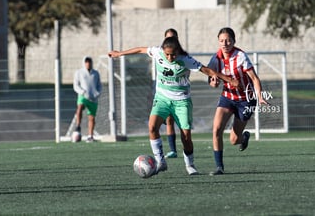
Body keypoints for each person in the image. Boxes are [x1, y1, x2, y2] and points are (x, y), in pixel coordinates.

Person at [108, 36, 238, 175]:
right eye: (167, 54)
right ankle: (160, 162)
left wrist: (228, 79)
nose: (170, 58)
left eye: (173, 54)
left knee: (186, 136)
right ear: (163, 50)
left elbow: (207, 70)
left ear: (178, 51)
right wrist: (119, 53)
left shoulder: (185, 59)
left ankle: (190, 165)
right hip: (162, 98)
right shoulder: (157, 52)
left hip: (182, 101)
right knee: (152, 127)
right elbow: (140, 49)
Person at [207, 27, 268, 175]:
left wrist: (260, 96)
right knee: (216, 130)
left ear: (234, 41)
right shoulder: (215, 59)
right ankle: (219, 167)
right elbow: (211, 78)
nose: (225, 43)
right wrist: (213, 83)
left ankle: (244, 137)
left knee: (234, 140)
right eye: (221, 40)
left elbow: (254, 78)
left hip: (245, 100)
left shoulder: (240, 56)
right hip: (227, 98)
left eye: (228, 40)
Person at [73, 56, 102, 143]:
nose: (88, 64)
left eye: (89, 62)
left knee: (92, 118)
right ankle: (78, 125)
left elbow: (99, 85)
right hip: (83, 96)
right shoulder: (79, 72)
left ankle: (90, 136)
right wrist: (82, 92)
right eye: (86, 62)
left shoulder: (96, 73)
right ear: (84, 63)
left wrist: (98, 93)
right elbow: (76, 85)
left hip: (93, 98)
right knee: (80, 107)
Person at [163, 28, 178, 159]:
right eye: (168, 38)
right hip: (164, 93)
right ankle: (172, 150)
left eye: (173, 38)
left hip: (180, 95)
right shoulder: (161, 54)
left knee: (183, 126)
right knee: (169, 120)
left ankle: (188, 157)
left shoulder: (182, 56)